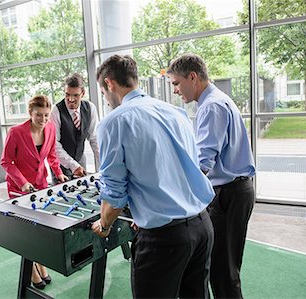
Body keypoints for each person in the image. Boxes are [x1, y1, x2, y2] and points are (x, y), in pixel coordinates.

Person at [91, 54, 215, 299]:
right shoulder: (176, 113)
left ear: (109, 84)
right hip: (202, 227)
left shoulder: (113, 123)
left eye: (103, 93)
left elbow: (115, 195)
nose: (105, 100)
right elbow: (178, 169)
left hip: (164, 241)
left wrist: (104, 224)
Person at [167, 53, 256, 299]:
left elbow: (203, 164)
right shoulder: (216, 100)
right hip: (233, 191)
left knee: (223, 272)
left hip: (229, 194)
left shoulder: (211, 106)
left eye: (176, 83)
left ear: (192, 77)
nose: (175, 90)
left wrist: (177, 198)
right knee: (222, 269)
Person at [1, 95, 68, 290]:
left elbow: (52, 156)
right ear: (30, 113)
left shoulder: (50, 128)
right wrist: (22, 182)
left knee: (40, 229)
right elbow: (6, 162)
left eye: (46, 115)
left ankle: (41, 265)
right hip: (18, 189)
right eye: (38, 115)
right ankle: (31, 271)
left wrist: (59, 173)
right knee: (26, 231)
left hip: (40, 185)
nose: (43, 119)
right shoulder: (16, 132)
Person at [50, 73, 100, 180]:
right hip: (60, 165)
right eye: (67, 94)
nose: (71, 99)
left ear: (83, 93)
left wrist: (104, 161)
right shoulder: (56, 110)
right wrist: (73, 165)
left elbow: (94, 138)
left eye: (75, 95)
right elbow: (54, 144)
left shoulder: (90, 108)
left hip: (80, 160)